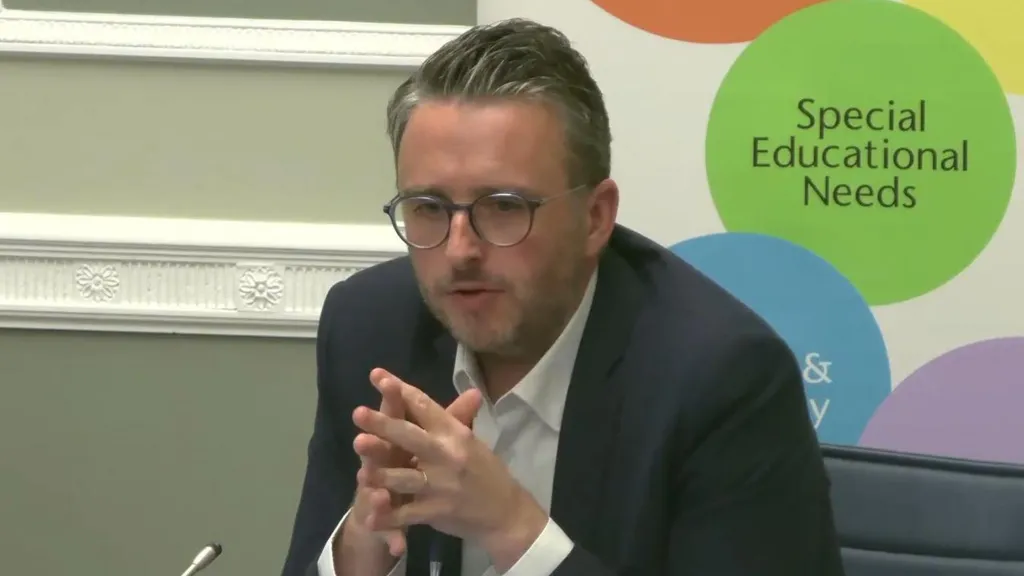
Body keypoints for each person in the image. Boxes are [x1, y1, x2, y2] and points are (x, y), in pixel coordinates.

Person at [280, 17, 845, 576]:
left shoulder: (718, 376)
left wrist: (513, 532)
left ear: (595, 218)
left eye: (503, 206)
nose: (459, 251)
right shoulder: (368, 326)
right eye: (428, 207)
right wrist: (360, 548)